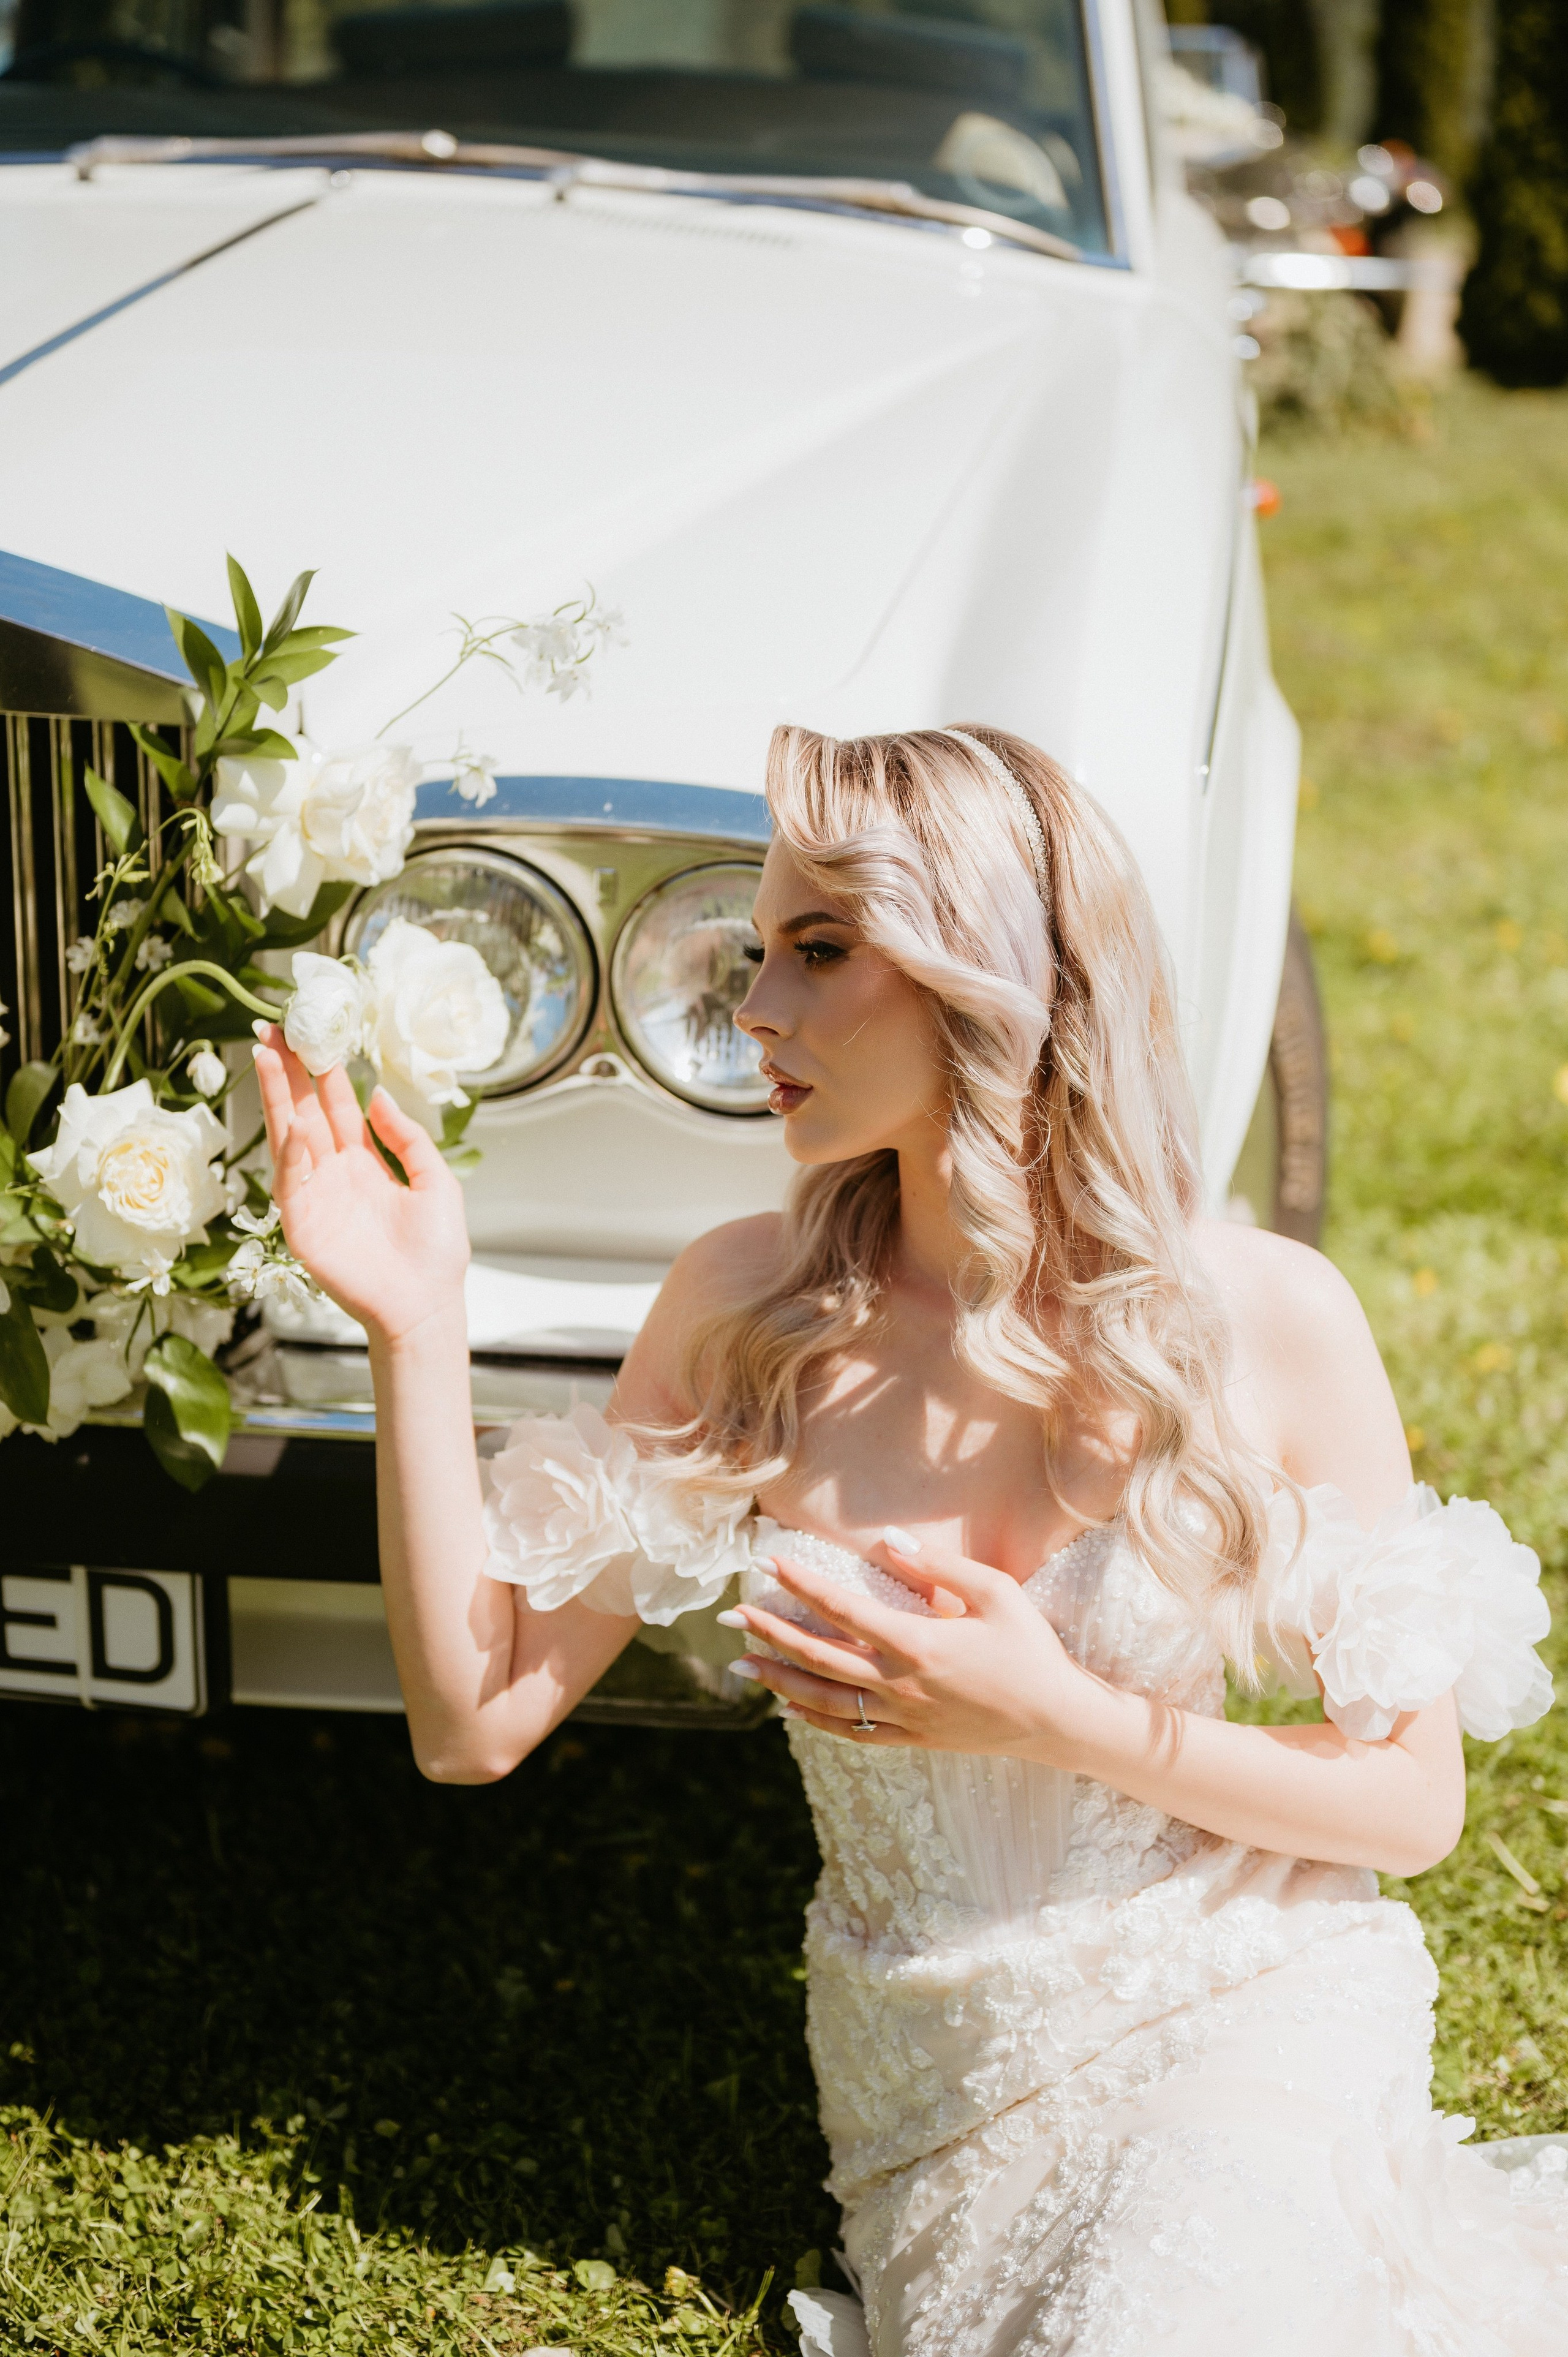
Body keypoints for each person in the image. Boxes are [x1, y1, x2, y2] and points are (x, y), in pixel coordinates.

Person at [254, 724, 1568, 2354]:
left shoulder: (1265, 1319)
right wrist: (415, 1326)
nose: (756, 1013)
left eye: (819, 953)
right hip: (948, 2095)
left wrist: (1056, 1713)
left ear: (987, 976)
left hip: (1254, 2002)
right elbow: (474, 1720)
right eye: (758, 953)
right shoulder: (748, 1316)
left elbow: (1413, 1807)